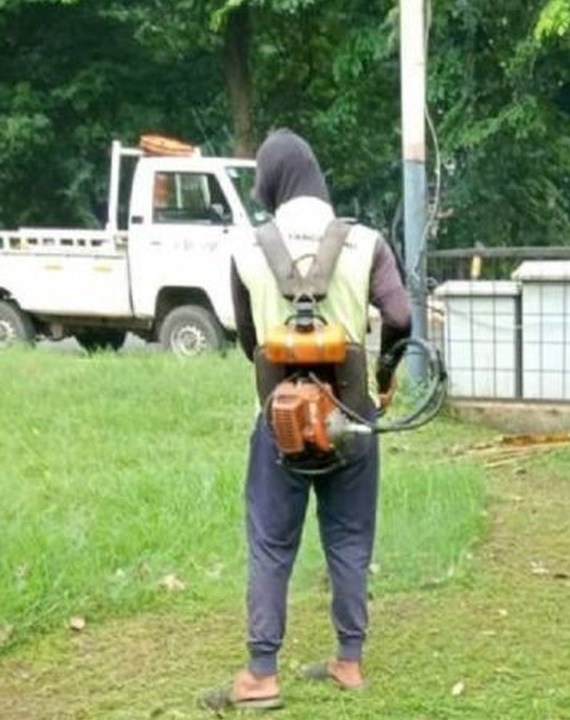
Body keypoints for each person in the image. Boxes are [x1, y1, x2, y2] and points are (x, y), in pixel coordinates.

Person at [204, 130, 411, 711]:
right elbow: (399, 314)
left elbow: (249, 343)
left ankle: (261, 675)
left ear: (272, 181)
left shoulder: (248, 250)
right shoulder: (366, 242)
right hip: (353, 421)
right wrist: (386, 376)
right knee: (349, 538)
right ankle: (348, 660)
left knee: (271, 545)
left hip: (279, 427)